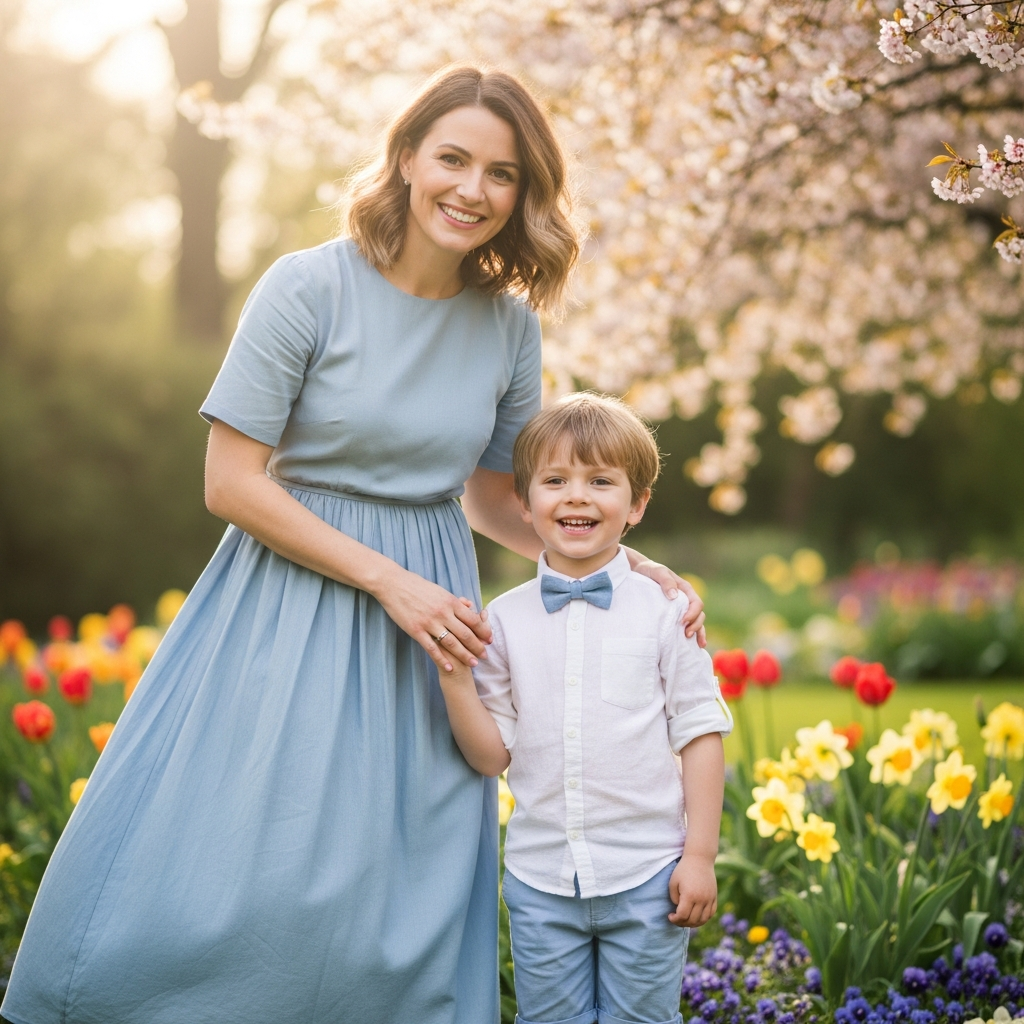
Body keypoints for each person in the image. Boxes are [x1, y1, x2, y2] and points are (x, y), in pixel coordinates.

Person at [1, 67, 705, 1024]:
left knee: (400, 869)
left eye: (501, 173)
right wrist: (389, 583)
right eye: (452, 158)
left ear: (524, 193)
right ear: (407, 157)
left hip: (428, 630)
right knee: (250, 850)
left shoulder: (507, 327)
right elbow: (231, 481)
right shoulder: (307, 286)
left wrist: (628, 564)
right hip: (288, 596)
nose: (472, 189)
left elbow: (500, 502)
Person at [437, 392, 733, 1024]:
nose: (576, 496)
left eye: (601, 481)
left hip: (649, 875)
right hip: (542, 881)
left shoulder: (665, 612)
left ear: (637, 505)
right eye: (555, 480)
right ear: (523, 501)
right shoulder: (503, 621)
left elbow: (701, 733)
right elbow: (492, 757)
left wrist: (700, 855)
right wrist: (457, 681)